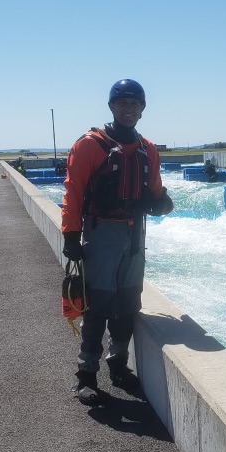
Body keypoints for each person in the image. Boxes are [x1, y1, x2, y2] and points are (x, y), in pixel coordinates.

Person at [61, 79, 174, 406]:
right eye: (122, 103)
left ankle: (118, 365)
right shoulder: (89, 145)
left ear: (142, 109)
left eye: (135, 103)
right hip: (101, 233)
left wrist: (161, 202)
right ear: (112, 107)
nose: (129, 108)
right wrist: (70, 235)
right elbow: (73, 193)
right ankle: (86, 375)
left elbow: (154, 190)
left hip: (134, 234)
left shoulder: (147, 149)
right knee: (98, 305)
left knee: (127, 303)